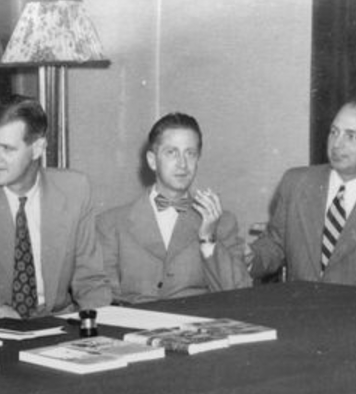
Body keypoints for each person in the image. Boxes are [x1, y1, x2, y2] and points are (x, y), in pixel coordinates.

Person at [0, 95, 111, 318]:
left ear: (37, 148)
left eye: (7, 148)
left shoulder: (75, 189)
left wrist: (102, 327)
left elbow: (90, 280)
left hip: (58, 323)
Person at [248, 97, 356, 285]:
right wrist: (249, 257)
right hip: (298, 302)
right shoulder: (296, 183)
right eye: (334, 132)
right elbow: (275, 246)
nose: (336, 144)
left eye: (351, 136)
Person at [96, 112, 250, 304]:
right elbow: (104, 298)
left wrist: (208, 239)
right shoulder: (111, 224)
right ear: (152, 161)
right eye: (172, 152)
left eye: (190, 153)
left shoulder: (222, 222)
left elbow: (240, 296)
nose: (182, 164)